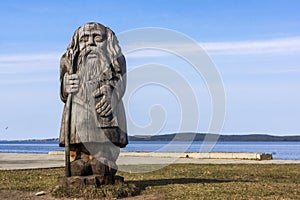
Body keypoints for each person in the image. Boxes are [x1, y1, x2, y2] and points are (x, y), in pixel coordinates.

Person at [59, 22, 127, 179]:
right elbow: (62, 91)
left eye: (97, 37)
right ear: (77, 42)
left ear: (107, 41)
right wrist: (66, 85)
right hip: (78, 108)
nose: (91, 42)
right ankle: (80, 158)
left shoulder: (117, 60)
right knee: (79, 135)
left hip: (105, 108)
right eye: (85, 38)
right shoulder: (67, 60)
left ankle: (103, 158)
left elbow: (122, 84)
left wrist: (112, 91)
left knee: (104, 140)